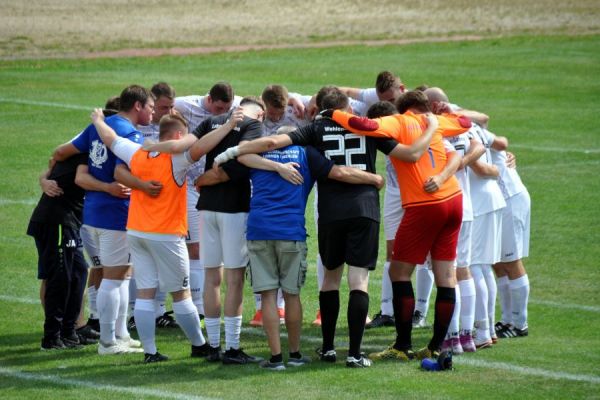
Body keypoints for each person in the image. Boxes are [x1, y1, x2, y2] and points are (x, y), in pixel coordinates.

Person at [213, 88, 440, 368]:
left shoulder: (315, 130)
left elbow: (272, 142)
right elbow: (412, 154)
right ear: (347, 108)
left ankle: (329, 348)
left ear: (322, 108)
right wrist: (431, 128)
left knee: (330, 280)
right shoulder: (367, 127)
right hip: (364, 210)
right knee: (359, 282)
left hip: (331, 212)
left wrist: (232, 151)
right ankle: (355, 354)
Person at [89, 107, 245, 362]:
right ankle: (199, 344)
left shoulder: (137, 151)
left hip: (136, 231)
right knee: (181, 294)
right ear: (179, 134)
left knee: (145, 292)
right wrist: (227, 127)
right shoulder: (176, 158)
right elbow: (201, 147)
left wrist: (97, 120)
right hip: (166, 235)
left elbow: (110, 139)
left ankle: (150, 352)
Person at [326, 90, 471, 361]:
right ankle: (436, 346)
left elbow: (363, 125)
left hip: (424, 205)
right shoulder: (434, 122)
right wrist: (442, 112)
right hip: (454, 200)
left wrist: (331, 113)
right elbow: (465, 123)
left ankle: (402, 345)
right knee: (446, 277)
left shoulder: (400, 121)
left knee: (399, 273)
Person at [240, 125, 384, 370]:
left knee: (267, 295)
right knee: (292, 294)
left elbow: (240, 153)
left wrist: (274, 165)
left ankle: (275, 359)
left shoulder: (258, 154)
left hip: (258, 229)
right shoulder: (307, 153)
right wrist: (374, 178)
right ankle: (295, 355)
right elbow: (337, 172)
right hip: (291, 232)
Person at [52, 84, 154, 355]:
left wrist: (46, 175)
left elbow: (63, 152)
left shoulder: (98, 126)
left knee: (121, 275)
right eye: (151, 107)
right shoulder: (128, 133)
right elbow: (132, 169)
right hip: (116, 212)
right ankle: (107, 341)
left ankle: (119, 334)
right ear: (137, 106)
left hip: (94, 211)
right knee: (113, 277)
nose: (153, 113)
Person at [128, 81, 179, 330]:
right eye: (161, 107)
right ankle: (129, 313)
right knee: (133, 266)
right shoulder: (133, 130)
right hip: (138, 208)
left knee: (149, 267)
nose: (166, 112)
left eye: (171, 107)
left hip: (159, 207)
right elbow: (119, 169)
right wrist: (140, 185)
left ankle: (156, 312)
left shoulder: (165, 128)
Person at [28, 153, 91, 350]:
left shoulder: (97, 149)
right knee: (60, 278)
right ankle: (51, 337)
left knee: (79, 273)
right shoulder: (89, 149)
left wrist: (44, 179)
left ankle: (69, 331)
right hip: (57, 221)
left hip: (68, 220)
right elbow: (54, 160)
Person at [490, 137, 531, 339]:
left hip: (510, 200)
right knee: (497, 262)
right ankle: (506, 320)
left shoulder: (470, 130)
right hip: (495, 202)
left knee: (512, 260)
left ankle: (520, 324)